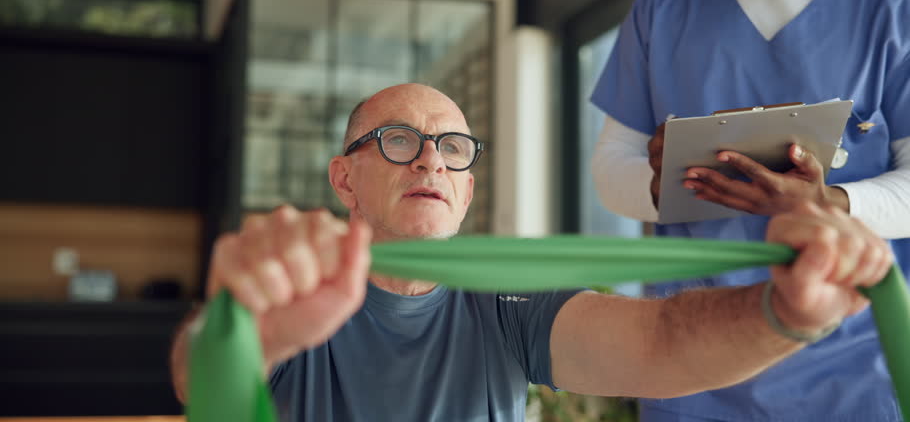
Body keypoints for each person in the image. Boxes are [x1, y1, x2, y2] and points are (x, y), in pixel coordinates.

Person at [171, 83, 893, 422]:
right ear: (343, 179)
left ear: (465, 190)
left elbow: (662, 342)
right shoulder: (297, 291)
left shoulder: (504, 299)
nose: (430, 161)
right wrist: (243, 322)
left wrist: (789, 312)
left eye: (452, 149)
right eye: (399, 140)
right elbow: (195, 377)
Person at [590, 0, 910, 420]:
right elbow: (611, 169)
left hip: (856, 371)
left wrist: (827, 202)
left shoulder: (895, 6)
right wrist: (669, 180)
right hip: (693, 367)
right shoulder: (659, 10)